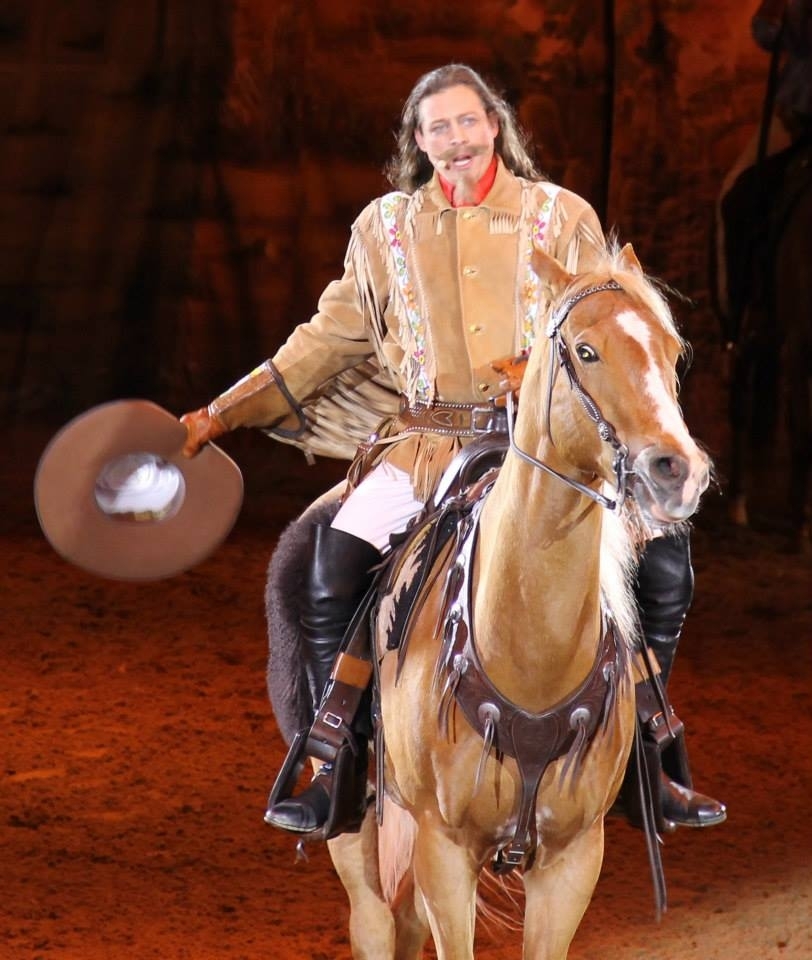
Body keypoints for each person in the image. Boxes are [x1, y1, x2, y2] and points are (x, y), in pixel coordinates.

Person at [181, 63, 725, 838]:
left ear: (494, 126)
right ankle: (337, 763)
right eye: (438, 126)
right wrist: (221, 413)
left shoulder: (559, 214)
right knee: (328, 564)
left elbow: (601, 323)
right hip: (425, 447)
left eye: (469, 121)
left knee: (665, 565)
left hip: (541, 448)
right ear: (420, 141)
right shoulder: (384, 229)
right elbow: (327, 340)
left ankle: (647, 759)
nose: (457, 138)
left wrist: (542, 373)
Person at [715, 0, 812, 343]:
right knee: (736, 194)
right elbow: (767, 32)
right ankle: (741, 329)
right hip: (800, 117)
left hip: (801, 111)